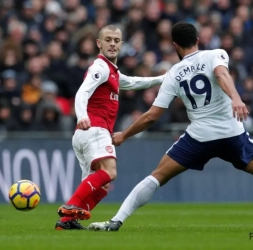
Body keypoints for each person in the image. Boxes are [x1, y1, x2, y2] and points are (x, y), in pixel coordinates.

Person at [88, 21, 253, 232]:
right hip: (231, 133)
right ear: (197, 40)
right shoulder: (215, 54)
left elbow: (152, 116)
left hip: (199, 138)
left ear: (175, 45)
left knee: (157, 175)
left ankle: (116, 221)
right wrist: (236, 98)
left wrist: (125, 134)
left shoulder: (174, 73)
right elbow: (222, 74)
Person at [54, 25, 165, 230]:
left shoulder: (112, 71)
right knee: (110, 172)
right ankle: (70, 206)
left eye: (116, 40)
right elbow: (82, 93)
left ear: (121, 44)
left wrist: (162, 79)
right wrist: (83, 116)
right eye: (108, 39)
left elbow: (132, 82)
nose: (112, 44)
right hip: (94, 128)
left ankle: (67, 221)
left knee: (102, 185)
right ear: (99, 43)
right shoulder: (100, 68)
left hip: (85, 134)